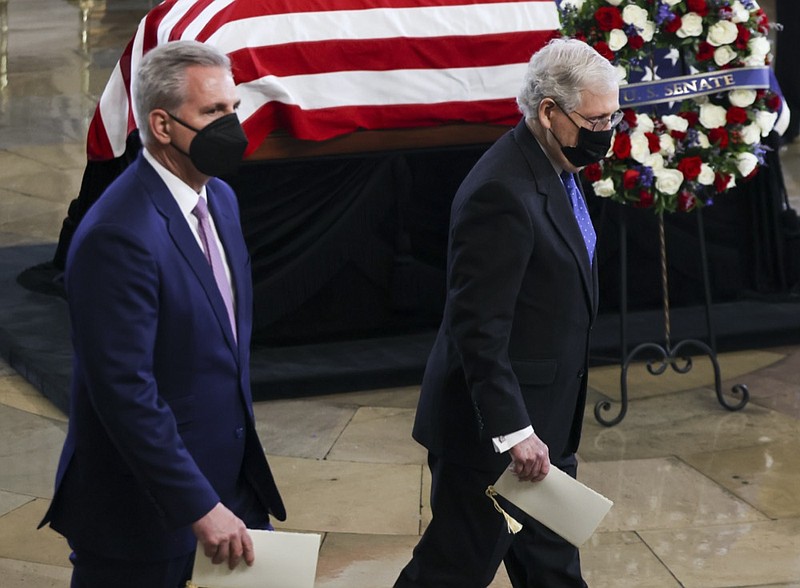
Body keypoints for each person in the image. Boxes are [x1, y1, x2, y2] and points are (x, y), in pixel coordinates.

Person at [38, 40, 285, 587]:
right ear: (163, 125)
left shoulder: (219, 198)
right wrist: (199, 504)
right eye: (213, 113)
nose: (233, 127)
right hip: (145, 513)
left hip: (231, 490)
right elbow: (124, 390)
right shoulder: (117, 235)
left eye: (234, 109)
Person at [394, 38, 620, 588]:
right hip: (494, 439)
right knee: (452, 570)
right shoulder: (502, 192)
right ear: (549, 112)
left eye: (616, 114)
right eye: (597, 120)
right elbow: (478, 328)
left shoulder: (557, 164)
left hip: (546, 427)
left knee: (552, 569)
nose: (609, 132)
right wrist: (514, 432)